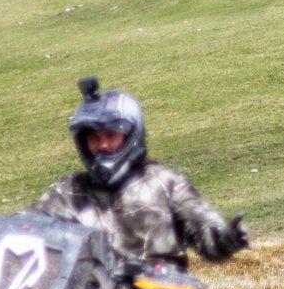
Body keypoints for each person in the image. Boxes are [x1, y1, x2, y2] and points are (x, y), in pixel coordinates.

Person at [32, 77, 249, 269]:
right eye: (94, 138)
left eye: (111, 135)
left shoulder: (165, 182)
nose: (103, 145)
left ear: (132, 135)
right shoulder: (70, 191)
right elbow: (25, 226)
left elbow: (206, 234)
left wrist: (225, 239)